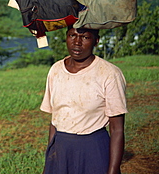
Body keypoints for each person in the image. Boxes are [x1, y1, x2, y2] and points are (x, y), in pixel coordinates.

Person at [40, 27, 127, 174]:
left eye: (85, 37)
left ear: (96, 41)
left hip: (93, 148)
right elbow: (55, 120)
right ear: (66, 37)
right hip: (61, 147)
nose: (77, 42)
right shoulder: (56, 70)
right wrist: (51, 158)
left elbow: (117, 129)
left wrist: (113, 169)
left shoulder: (109, 73)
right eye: (72, 35)